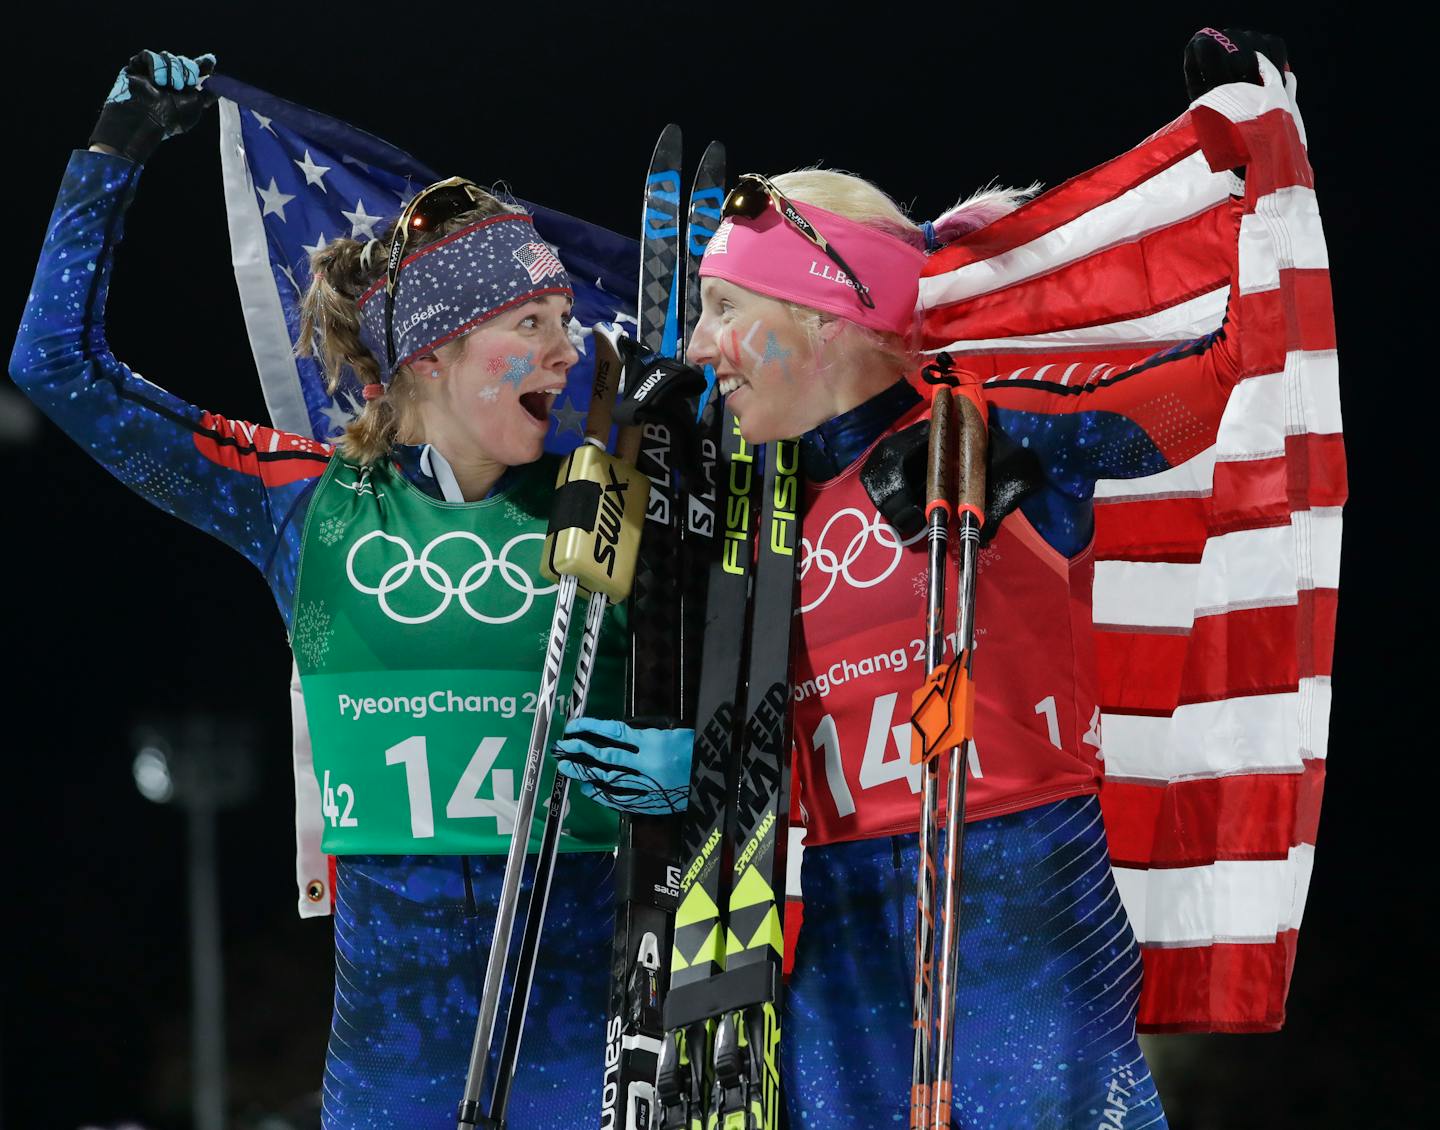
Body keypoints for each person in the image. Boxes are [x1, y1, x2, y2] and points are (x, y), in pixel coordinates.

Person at [558, 28, 1320, 1128]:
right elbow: (772, 740)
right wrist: (696, 768)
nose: (703, 341)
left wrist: (1256, 183)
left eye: (728, 309)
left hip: (1022, 906)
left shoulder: (989, 442)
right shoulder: (743, 511)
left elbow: (1227, 384)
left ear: (822, 313)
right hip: (841, 930)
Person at [11, 50, 627, 1129]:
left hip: (589, 1058)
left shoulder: (614, 505)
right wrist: (113, 153)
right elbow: (57, 364)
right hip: (392, 1074)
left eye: (566, 322)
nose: (566, 351)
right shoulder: (307, 501)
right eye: (532, 323)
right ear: (434, 350)